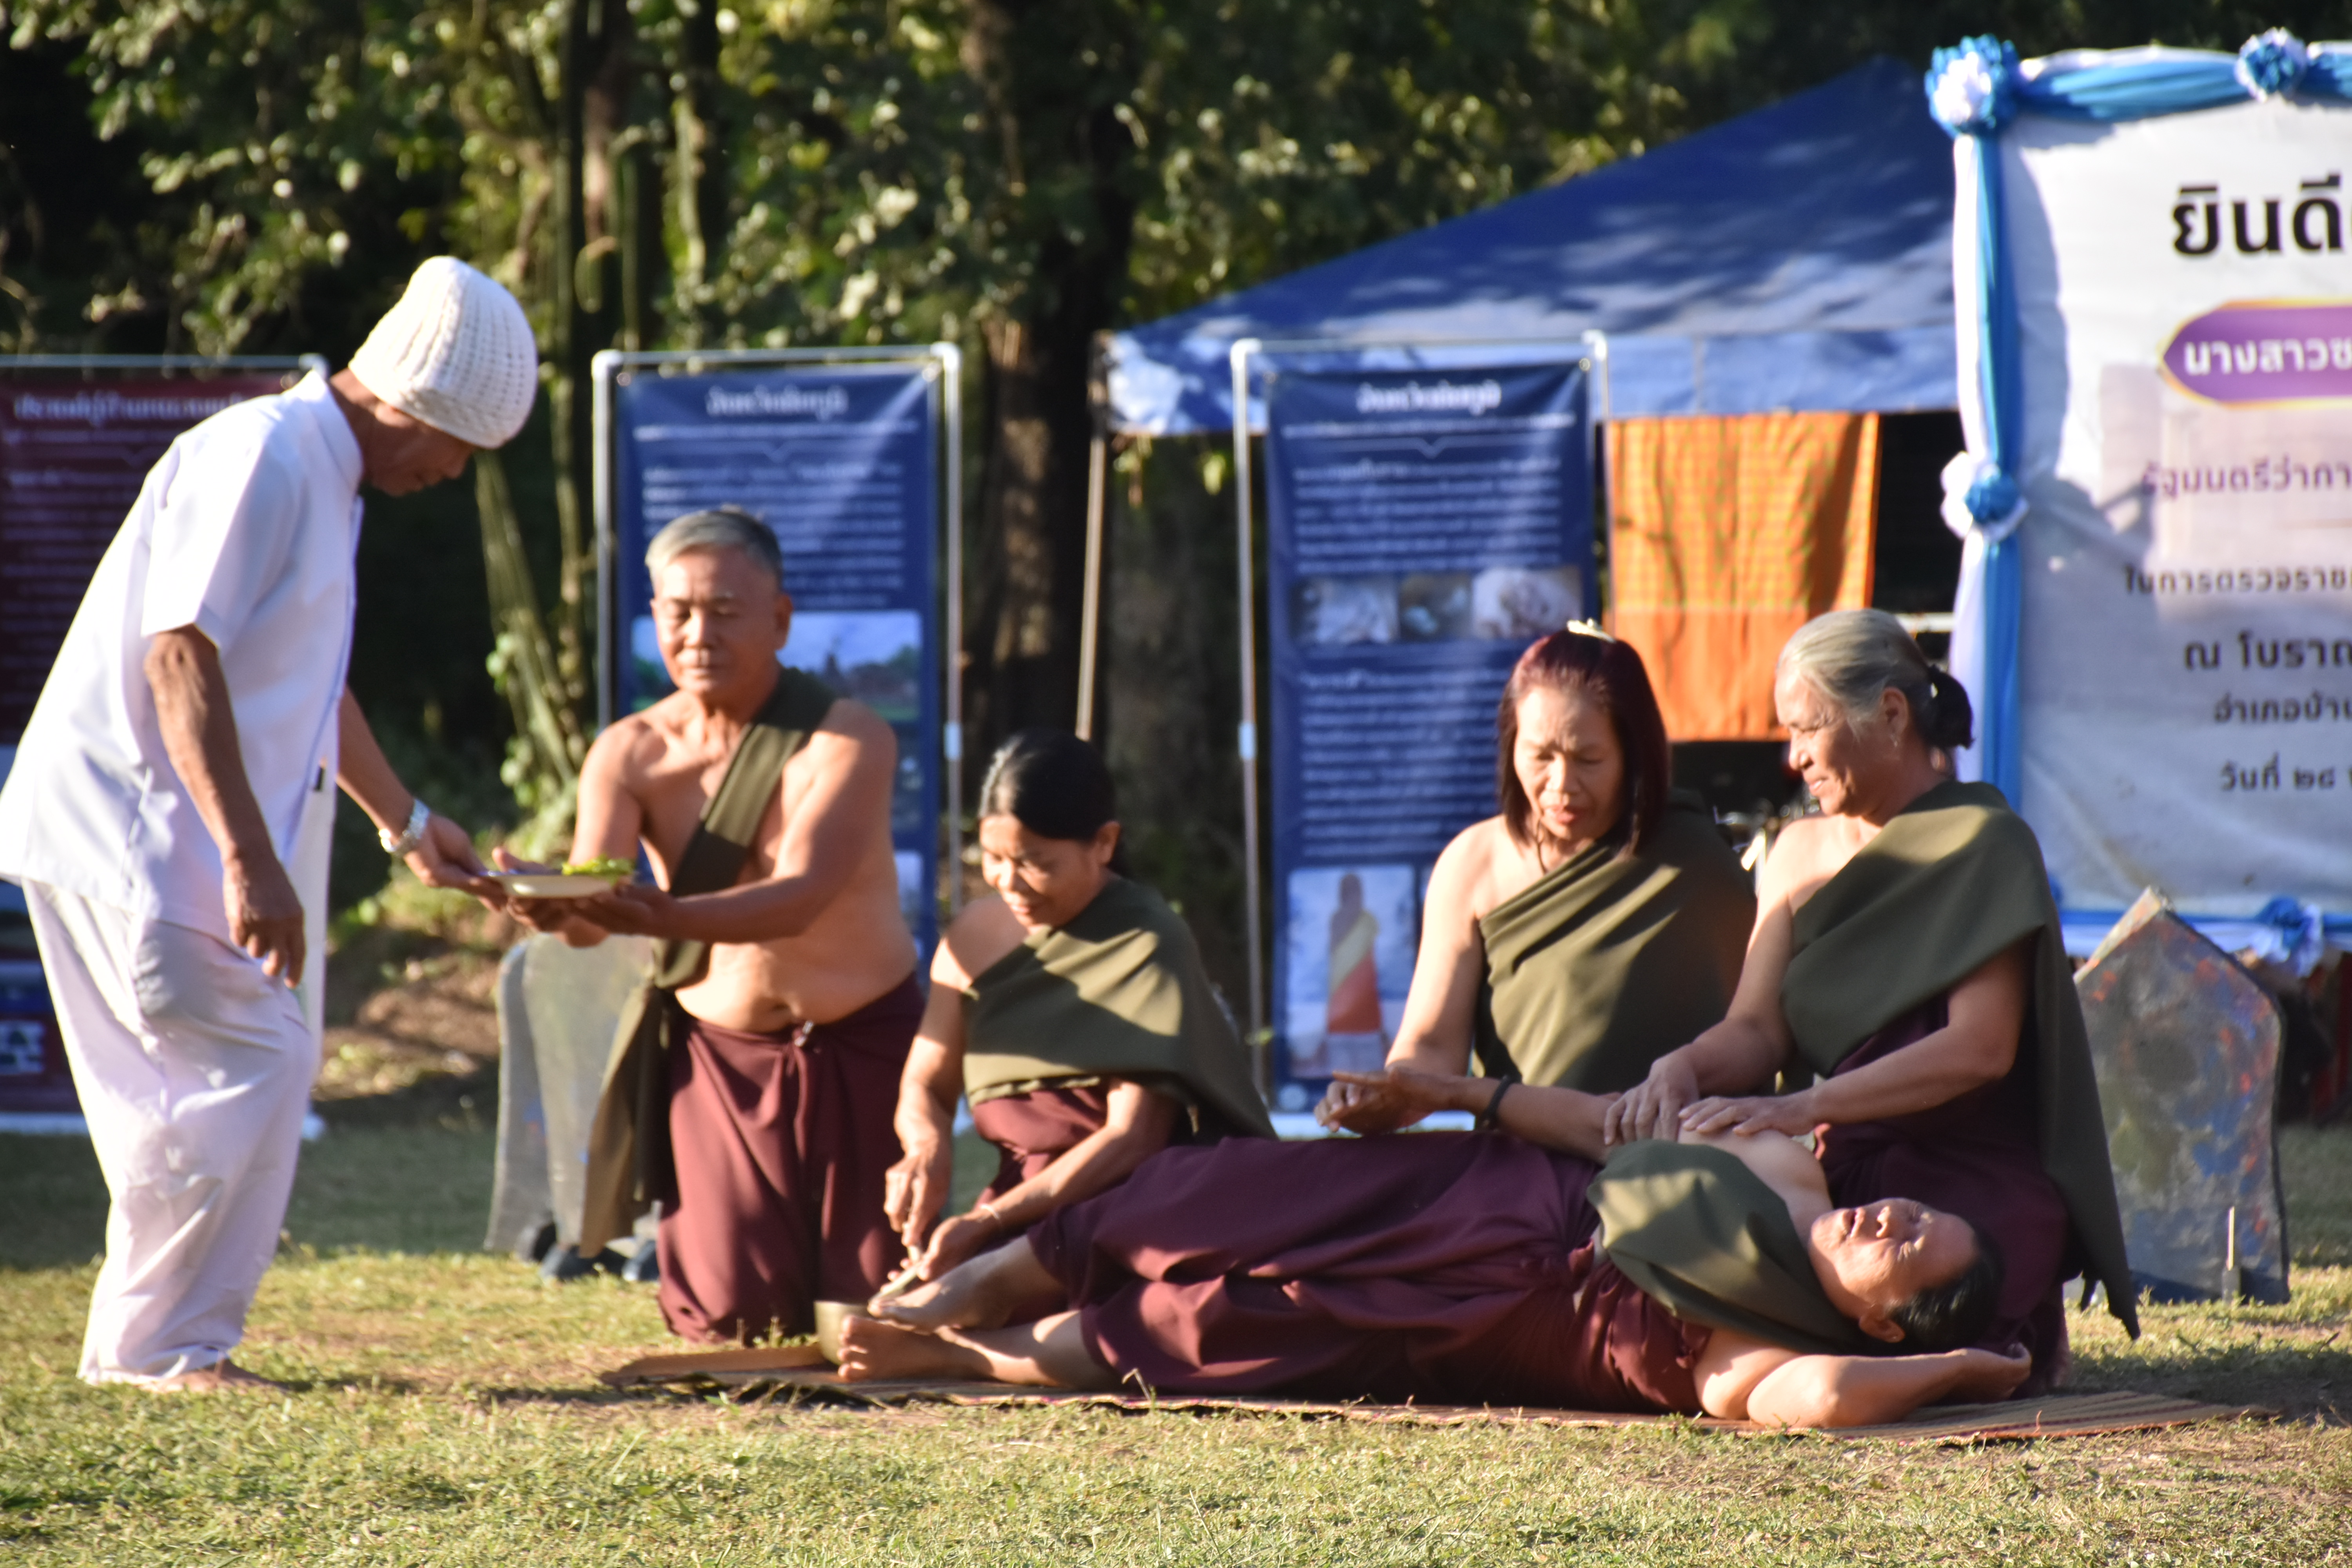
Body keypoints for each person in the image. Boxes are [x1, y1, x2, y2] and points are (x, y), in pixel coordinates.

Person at [0, 257, 534, 1390]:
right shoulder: (266, 453)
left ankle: (156, 1347)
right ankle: (164, 1351)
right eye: (460, 448)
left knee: (223, 1074)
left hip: (155, 839)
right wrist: (250, 859)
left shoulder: (322, 477)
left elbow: (312, 684)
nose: (452, 474)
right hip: (132, 828)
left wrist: (409, 823)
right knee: (249, 1057)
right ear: (415, 403)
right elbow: (179, 654)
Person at [1605, 609, 2137, 1386]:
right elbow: (1756, 1030)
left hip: (1971, 1186)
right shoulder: (1794, 853)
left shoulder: (1984, 840)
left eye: (1808, 728)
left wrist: (1804, 1108)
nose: (1793, 758)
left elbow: (1980, 1048)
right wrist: (1682, 1066)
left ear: (1890, 714)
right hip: (1844, 1183)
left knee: (1937, 1293)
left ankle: (1933, 1362)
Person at [841, 1119, 2031, 1429]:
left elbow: (1828, 1401)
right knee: (1223, 1186)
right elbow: (1623, 1122)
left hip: (1466, 1311)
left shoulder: (1759, 1352)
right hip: (1484, 1187)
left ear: (1886, 1326)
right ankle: (990, 1277)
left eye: (1907, 1248)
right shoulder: (1790, 1163)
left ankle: (976, 1355)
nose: (1892, 1217)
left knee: (1203, 1326)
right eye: (1915, 1212)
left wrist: (1967, 1371)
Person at [500, 506, 920, 1345]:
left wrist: (665, 913)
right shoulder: (630, 752)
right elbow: (593, 917)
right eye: (679, 612)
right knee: (732, 1322)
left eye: (725, 611)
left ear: (781, 619)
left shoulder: (847, 737)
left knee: (873, 1319)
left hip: (863, 1041)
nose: (699, 634)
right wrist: (545, 904)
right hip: (723, 1058)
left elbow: (802, 895)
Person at [1318, 626, 1753, 1133]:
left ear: (1633, 756)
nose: (1562, 786)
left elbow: (1750, 1039)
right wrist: (1383, 1098)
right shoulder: (1473, 863)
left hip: (1660, 1155)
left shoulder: (1697, 866)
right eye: (1541, 756)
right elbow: (1433, 1047)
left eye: (1589, 760)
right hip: (1517, 1160)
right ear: (1511, 746)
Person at [883, 730, 1272, 1284]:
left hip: (1121, 1207)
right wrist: (925, 1146)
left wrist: (989, 1222)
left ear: (1105, 843)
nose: (1009, 882)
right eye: (993, 858)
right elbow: (926, 1080)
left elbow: (1132, 1138)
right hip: (1018, 1203)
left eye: (1035, 862)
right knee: (912, 1306)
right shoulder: (973, 936)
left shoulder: (1148, 938)